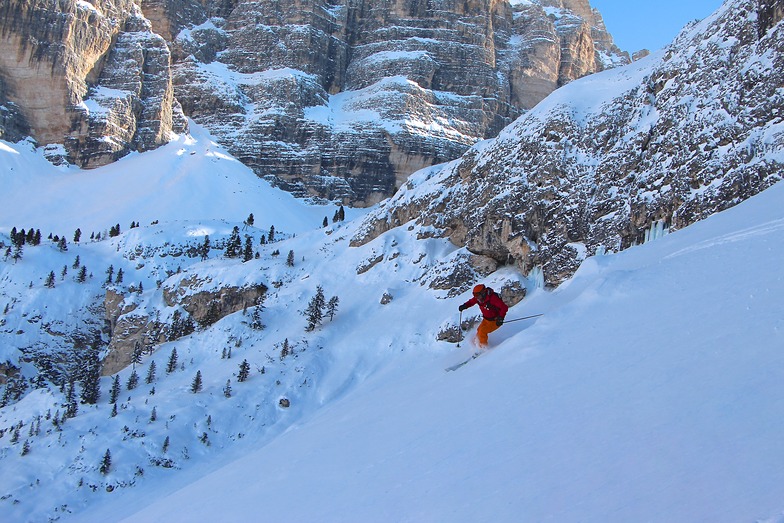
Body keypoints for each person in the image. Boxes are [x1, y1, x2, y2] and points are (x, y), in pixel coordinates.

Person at [458, 284, 508, 348]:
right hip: (486, 319)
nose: (476, 297)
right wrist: (464, 306)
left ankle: (483, 348)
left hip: (495, 321)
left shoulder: (493, 298)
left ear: (483, 293)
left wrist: (501, 318)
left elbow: (504, 307)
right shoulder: (479, 298)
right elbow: (471, 302)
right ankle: (476, 345)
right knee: (479, 330)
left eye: (477, 295)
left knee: (482, 331)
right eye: (474, 295)